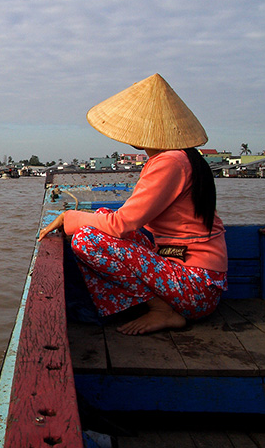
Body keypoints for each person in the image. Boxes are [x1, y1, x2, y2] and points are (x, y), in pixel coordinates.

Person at [38, 74, 227, 335]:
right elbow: (124, 221)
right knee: (102, 215)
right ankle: (156, 306)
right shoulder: (182, 158)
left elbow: (122, 223)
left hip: (195, 287)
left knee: (87, 240)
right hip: (188, 278)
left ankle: (162, 310)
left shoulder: (170, 162)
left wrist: (70, 217)